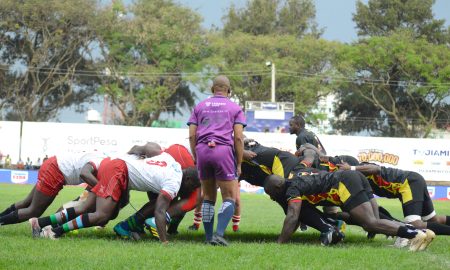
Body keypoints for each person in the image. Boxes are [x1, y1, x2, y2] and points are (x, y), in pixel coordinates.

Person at [32, 148, 200, 245]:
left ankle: (40, 223)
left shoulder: (172, 162)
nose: (189, 191)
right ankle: (55, 232)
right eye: (192, 186)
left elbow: (146, 147)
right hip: (117, 171)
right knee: (101, 216)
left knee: (94, 209)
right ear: (188, 179)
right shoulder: (174, 183)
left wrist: (134, 151)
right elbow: (160, 212)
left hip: (117, 165)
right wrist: (164, 241)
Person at [263, 162, 435, 251]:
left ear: (278, 187)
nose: (271, 198)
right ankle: (418, 233)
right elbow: (297, 215)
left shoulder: (291, 189)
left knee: (369, 223)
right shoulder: (296, 177)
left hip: (344, 182)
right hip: (354, 177)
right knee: (374, 221)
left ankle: (414, 234)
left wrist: (280, 242)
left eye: (270, 193)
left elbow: (293, 215)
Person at [187, 75, 246, 246]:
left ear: (213, 89)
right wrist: (239, 162)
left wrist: (196, 156)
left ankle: (207, 237)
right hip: (223, 151)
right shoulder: (235, 108)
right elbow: (239, 138)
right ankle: (219, 235)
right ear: (229, 90)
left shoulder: (199, 106)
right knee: (229, 197)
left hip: (202, 150)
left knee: (208, 197)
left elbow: (192, 135)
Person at [338, 162, 450, 238]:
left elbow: (375, 168)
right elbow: (374, 208)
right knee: (434, 220)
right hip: (414, 180)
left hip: (408, 183)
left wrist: (351, 168)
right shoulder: (357, 183)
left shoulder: (360, 169)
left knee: (415, 224)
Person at [0, 152, 106, 226]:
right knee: (33, 211)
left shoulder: (103, 160)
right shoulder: (99, 162)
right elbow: (84, 173)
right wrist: (103, 189)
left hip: (53, 164)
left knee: (26, 202)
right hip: (55, 171)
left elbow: (90, 190)